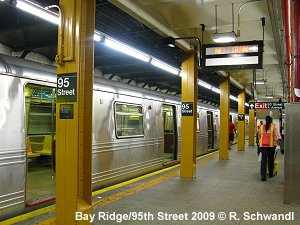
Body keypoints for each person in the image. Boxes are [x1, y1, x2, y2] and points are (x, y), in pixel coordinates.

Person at [258, 116, 282, 181]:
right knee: (271, 160)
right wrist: (278, 145)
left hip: (262, 146)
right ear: (271, 121)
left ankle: (263, 175)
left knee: (264, 160)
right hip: (271, 147)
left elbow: (259, 136)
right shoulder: (274, 127)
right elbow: (278, 137)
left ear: (265, 120)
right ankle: (270, 174)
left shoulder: (261, 126)